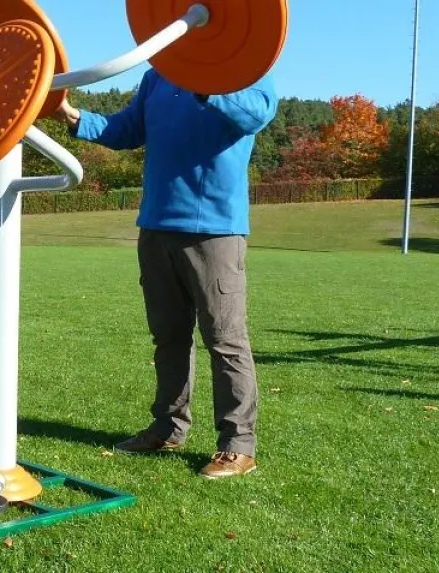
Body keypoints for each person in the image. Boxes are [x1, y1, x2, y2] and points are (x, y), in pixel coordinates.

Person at [51, 69, 278, 479]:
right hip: (156, 226)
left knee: (225, 340)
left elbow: (258, 114)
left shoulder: (248, 63)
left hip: (216, 230)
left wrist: (210, 86)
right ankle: (168, 428)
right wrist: (71, 114)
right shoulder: (158, 77)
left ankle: (237, 444)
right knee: (169, 337)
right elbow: (127, 127)